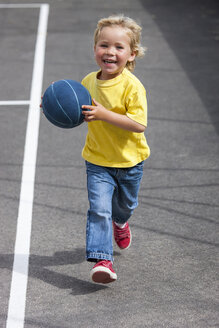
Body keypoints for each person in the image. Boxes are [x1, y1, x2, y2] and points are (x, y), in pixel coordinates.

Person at [81, 14, 150, 284]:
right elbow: (77, 107)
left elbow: (138, 124)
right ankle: (102, 260)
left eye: (118, 47)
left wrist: (104, 113)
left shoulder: (133, 87)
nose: (110, 52)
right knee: (99, 209)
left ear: (131, 55)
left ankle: (120, 223)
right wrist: (54, 103)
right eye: (104, 45)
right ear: (95, 48)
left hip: (130, 162)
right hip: (97, 161)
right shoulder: (88, 81)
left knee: (125, 206)